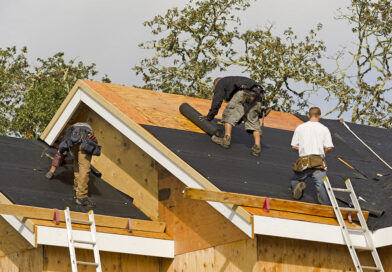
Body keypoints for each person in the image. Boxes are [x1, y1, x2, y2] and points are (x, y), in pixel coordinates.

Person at [203, 76, 270, 157]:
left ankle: (226, 140)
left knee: (229, 114)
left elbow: (217, 101)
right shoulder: (234, 81)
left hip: (245, 93)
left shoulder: (220, 82)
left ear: (216, 84)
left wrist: (210, 116)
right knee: (253, 121)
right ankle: (257, 148)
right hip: (259, 96)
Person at [45, 122, 101, 207]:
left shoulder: (68, 136)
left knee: (76, 161)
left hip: (82, 139)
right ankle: (81, 197)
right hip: (86, 141)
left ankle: (77, 186)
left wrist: (51, 171)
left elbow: (59, 154)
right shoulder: (75, 133)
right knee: (84, 167)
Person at [290, 107, 334, 204]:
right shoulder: (324, 129)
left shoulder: (300, 127)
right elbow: (329, 147)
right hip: (318, 160)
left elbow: (294, 146)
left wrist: (302, 148)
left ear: (308, 115)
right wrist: (323, 153)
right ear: (319, 116)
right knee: (320, 184)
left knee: (295, 179)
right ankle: (325, 205)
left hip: (304, 160)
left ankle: (298, 185)